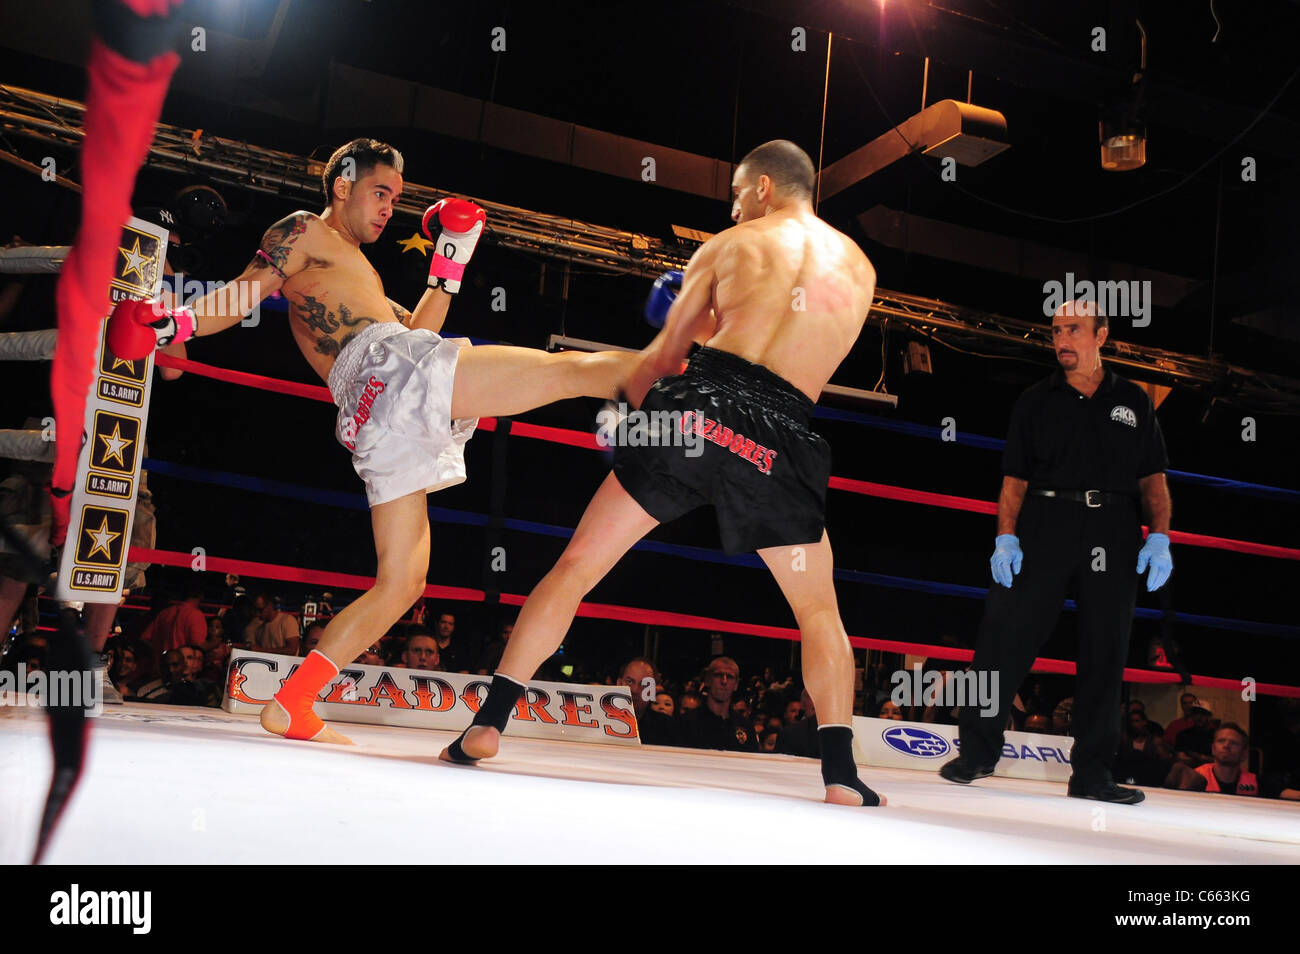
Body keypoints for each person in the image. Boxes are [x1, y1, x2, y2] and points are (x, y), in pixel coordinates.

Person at [106, 138, 636, 744]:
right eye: (380, 193)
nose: (389, 209)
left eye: (396, 199)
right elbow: (248, 291)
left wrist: (450, 263)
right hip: (385, 373)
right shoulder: (305, 229)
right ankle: (679, 380)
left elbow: (420, 332)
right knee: (567, 370)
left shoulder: (363, 270)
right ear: (342, 185)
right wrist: (178, 323)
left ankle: (293, 702)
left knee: (404, 584)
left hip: (378, 401)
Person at [438, 140, 884, 807]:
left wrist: (636, 405)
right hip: (784, 432)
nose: (733, 208)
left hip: (701, 406)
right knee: (818, 607)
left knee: (578, 566)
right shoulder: (861, 268)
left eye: (736, 194)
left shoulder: (730, 246)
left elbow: (665, 358)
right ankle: (841, 773)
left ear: (763, 187)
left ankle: (487, 725)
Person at [939, 298, 1173, 805]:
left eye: (1073, 329)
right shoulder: (1034, 400)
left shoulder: (1133, 400)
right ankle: (978, 751)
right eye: (1055, 331)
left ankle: (1091, 773)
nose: (1062, 340)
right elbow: (1013, 481)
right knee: (1004, 635)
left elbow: (1153, 479)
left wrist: (1160, 535)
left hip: (1112, 526)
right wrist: (1006, 536)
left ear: (1101, 336)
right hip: (1045, 523)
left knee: (1105, 650)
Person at [618, 657, 675, 746]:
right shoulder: (598, 722)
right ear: (619, 683)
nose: (635, 690)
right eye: (629, 681)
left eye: (644, 684)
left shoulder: (667, 727)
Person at [1192, 724, 1259, 797]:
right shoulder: (1195, 777)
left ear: (1244, 753)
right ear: (1213, 748)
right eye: (1221, 741)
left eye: (1233, 743)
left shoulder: (1256, 783)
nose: (1226, 746)